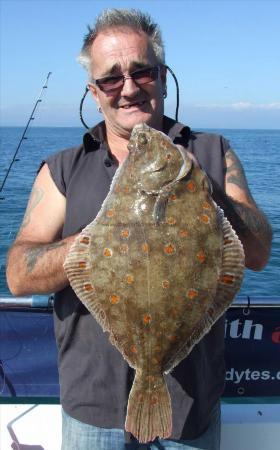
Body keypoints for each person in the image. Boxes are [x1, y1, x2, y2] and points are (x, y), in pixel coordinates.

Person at [6, 8, 272, 450]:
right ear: (94, 92)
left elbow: (259, 252)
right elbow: (17, 274)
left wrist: (211, 197)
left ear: (163, 78)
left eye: (141, 72)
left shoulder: (211, 151)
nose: (128, 88)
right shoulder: (63, 169)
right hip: (93, 407)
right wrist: (98, 242)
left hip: (191, 412)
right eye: (111, 79)